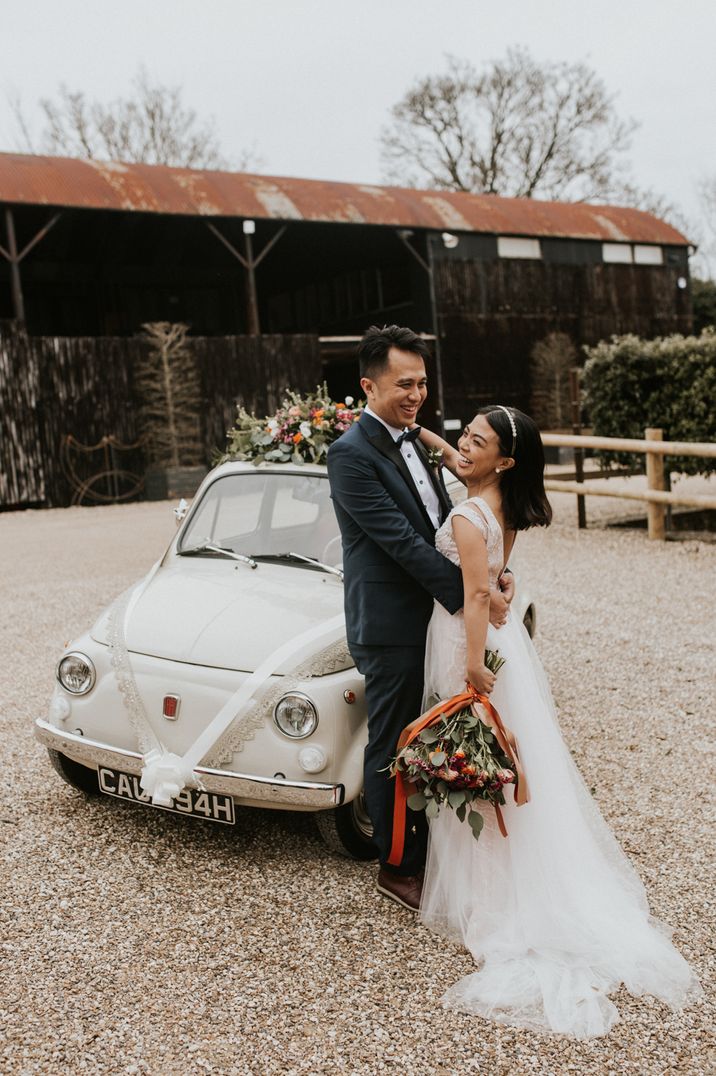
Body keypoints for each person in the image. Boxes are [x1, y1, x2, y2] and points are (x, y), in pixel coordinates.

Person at [415, 405, 702, 1037]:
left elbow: (473, 596)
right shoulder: (502, 505)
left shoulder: (467, 516)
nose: (463, 444)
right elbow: (495, 576)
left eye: (476, 441)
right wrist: (424, 434)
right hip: (503, 637)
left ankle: (486, 897)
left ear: (504, 460)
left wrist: (470, 671)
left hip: (468, 642)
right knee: (507, 762)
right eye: (464, 433)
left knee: (479, 759)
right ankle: (500, 878)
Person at [327, 325, 513, 910]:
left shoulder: (414, 438)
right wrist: (474, 592)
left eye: (423, 383)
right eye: (404, 384)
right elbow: (402, 543)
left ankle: (437, 845)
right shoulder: (350, 455)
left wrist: (489, 573)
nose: (416, 394)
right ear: (368, 385)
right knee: (393, 742)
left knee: (434, 734)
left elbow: (444, 525)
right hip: (390, 625)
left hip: (433, 618)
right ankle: (396, 864)